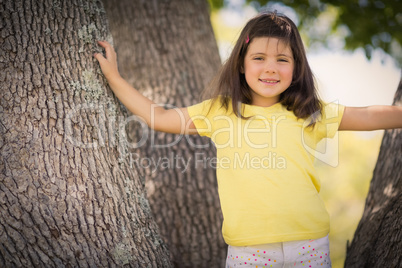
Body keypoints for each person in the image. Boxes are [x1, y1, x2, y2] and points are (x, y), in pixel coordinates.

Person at [94, 11, 402, 268]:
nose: (270, 67)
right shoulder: (220, 111)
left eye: (283, 59)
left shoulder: (309, 112)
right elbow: (158, 117)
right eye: (259, 57)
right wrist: (115, 77)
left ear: (295, 69)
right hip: (250, 252)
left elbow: (370, 116)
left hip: (310, 244)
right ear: (242, 64)